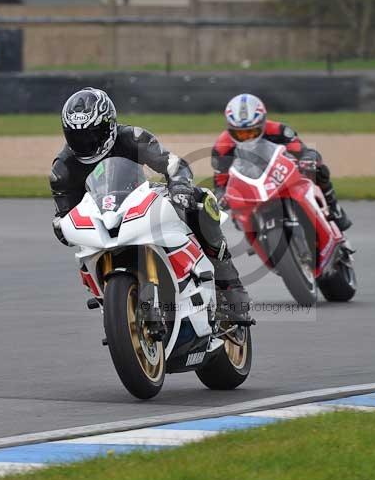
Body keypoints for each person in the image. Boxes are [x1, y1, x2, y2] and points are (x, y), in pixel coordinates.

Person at [49, 87, 253, 325]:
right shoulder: (62, 169)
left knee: (201, 201)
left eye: (92, 135)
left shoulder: (132, 137)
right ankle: (111, 301)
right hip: (102, 218)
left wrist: (180, 189)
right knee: (82, 251)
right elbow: (64, 215)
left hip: (140, 198)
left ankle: (230, 285)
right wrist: (61, 226)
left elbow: (174, 165)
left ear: (109, 126)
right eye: (77, 136)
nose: (85, 143)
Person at [211, 93, 351, 231]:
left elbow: (304, 151)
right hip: (250, 188)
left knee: (319, 169)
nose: (248, 138)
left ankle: (334, 208)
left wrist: (307, 160)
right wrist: (221, 197)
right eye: (240, 134)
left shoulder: (279, 130)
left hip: (281, 174)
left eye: (252, 132)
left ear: (263, 122)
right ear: (230, 128)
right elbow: (220, 183)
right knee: (239, 221)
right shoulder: (221, 147)